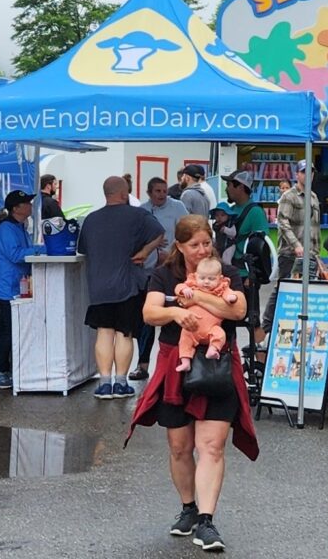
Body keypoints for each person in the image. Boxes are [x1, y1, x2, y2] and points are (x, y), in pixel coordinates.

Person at [129, 215, 256, 552]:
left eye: (206, 243)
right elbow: (149, 313)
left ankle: (207, 520)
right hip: (177, 363)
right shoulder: (164, 274)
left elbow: (238, 311)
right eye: (195, 245)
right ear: (181, 246)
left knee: (212, 446)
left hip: (217, 363)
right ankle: (187, 508)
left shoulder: (225, 272)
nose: (202, 250)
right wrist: (174, 313)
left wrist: (197, 299)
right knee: (180, 446)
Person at [79, 176, 165, 399]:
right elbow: (159, 233)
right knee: (124, 334)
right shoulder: (137, 215)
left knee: (104, 332)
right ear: (124, 194)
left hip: (98, 286)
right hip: (127, 285)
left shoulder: (91, 219)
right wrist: (145, 252)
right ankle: (120, 383)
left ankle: (104, 384)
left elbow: (83, 250)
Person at [0, 190, 45, 390]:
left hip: (13, 286)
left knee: (12, 330)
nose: (30, 205)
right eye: (26, 203)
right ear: (16, 208)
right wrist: (42, 249)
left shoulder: (19, 227)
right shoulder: (6, 229)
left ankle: (7, 370)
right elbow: (15, 255)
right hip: (5, 288)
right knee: (8, 331)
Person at [133, 178, 190, 381]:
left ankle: (181, 361)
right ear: (149, 192)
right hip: (147, 271)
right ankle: (143, 364)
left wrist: (172, 252)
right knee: (146, 320)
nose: (162, 194)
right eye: (157, 191)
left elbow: (187, 232)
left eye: (164, 191)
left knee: (176, 318)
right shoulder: (142, 210)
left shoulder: (178, 207)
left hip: (173, 269)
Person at [263, 161, 320, 337]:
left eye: (311, 172)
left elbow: (314, 227)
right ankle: (267, 324)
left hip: (310, 253)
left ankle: (296, 323)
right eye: (304, 172)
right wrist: (296, 245)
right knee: (284, 286)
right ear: (297, 175)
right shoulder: (289, 196)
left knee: (305, 289)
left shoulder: (313, 196)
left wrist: (316, 253)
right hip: (290, 252)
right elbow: (282, 222)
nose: (307, 175)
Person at [225, 170, 270, 347]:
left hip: (245, 274)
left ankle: (259, 358)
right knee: (228, 318)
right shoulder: (228, 210)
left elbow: (260, 246)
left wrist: (253, 276)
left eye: (229, 184)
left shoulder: (255, 212)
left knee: (253, 320)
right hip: (229, 272)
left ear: (240, 187)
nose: (227, 188)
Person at [174, 257, 239, 373]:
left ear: (220, 279)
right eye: (202, 278)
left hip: (211, 328)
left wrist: (230, 297)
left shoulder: (221, 288)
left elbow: (228, 293)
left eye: (211, 279)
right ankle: (185, 361)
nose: (206, 282)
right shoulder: (192, 284)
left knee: (220, 334)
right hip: (191, 327)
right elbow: (178, 287)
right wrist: (184, 290)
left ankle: (213, 349)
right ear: (195, 276)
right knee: (184, 339)